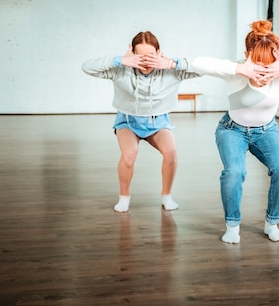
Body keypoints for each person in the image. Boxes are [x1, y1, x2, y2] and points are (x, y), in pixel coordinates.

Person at [192, 20, 279, 243]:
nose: (265, 71)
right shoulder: (235, 70)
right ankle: (232, 225)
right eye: (258, 64)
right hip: (232, 130)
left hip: (266, 131)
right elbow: (197, 63)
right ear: (247, 55)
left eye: (269, 65)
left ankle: (272, 223)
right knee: (234, 173)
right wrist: (241, 69)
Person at [82, 31, 199, 212]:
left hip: (158, 122)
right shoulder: (121, 70)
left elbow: (202, 69)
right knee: (130, 153)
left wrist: (171, 63)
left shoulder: (171, 72)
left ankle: (166, 196)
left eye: (150, 55)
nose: (145, 61)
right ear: (132, 52)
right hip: (128, 121)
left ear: (159, 53)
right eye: (140, 55)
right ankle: (124, 198)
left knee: (171, 153)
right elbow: (87, 67)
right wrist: (120, 60)